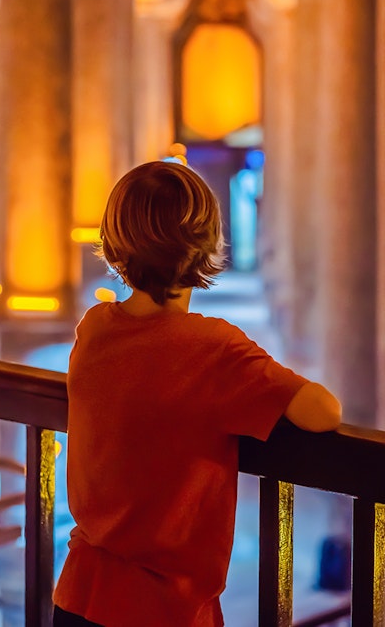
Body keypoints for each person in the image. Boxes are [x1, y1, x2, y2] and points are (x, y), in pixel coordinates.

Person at [52, 161, 342, 626]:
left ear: (114, 244)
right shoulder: (214, 351)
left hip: (80, 596)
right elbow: (323, 412)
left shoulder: (95, 329)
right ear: (205, 245)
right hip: (167, 611)